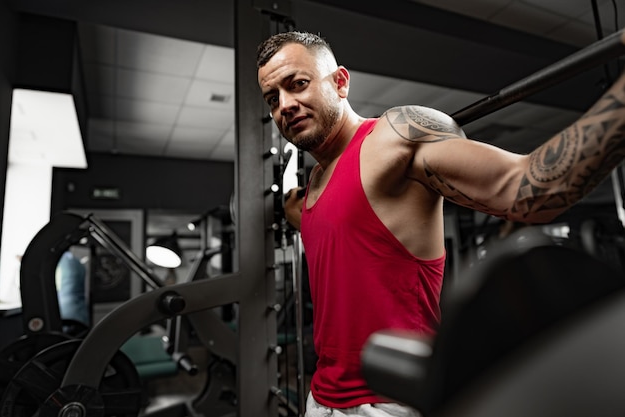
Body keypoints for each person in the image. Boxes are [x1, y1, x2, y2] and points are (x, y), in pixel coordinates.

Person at [256, 31, 625, 416]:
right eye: (272, 98)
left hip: (389, 402)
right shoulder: (313, 187)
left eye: (297, 84)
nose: (285, 105)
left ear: (340, 82)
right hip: (322, 399)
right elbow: (308, 215)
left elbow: (524, 187)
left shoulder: (393, 138)